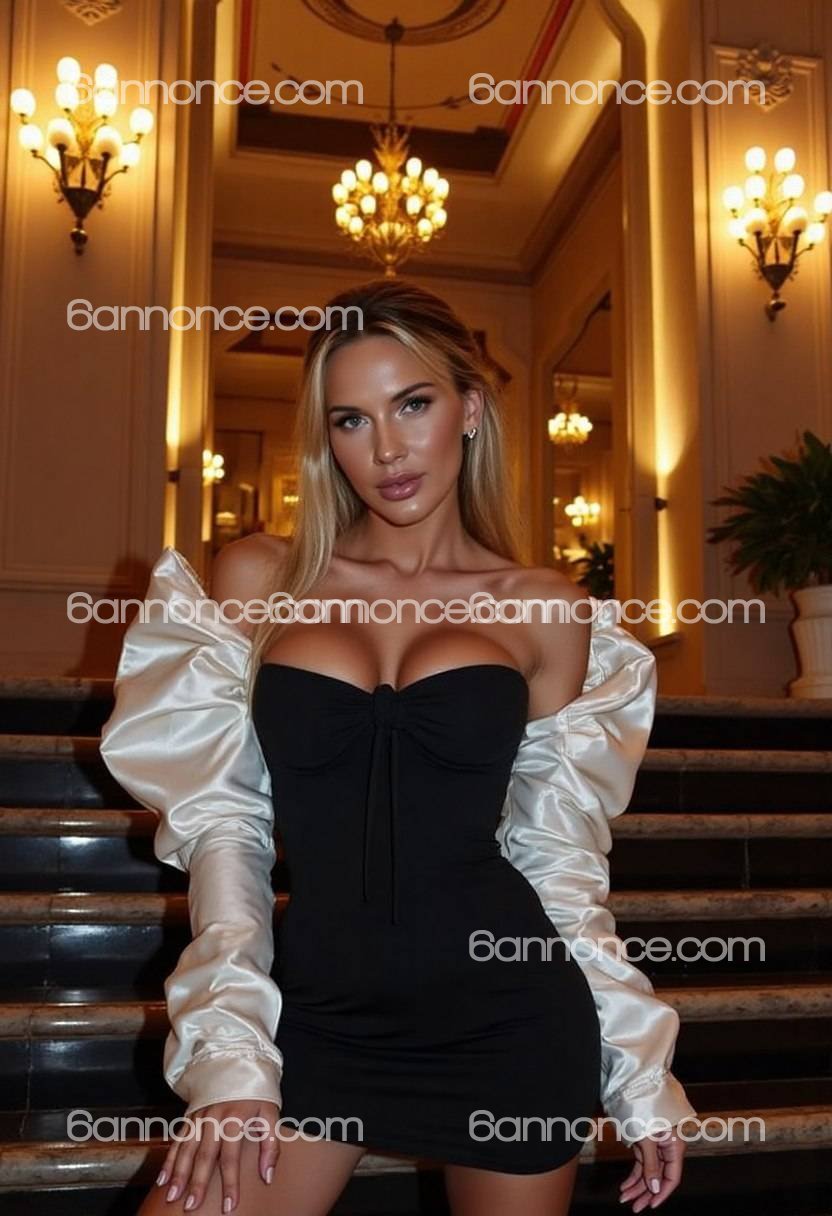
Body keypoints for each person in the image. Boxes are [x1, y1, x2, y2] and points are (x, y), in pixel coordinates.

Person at [99, 278, 698, 1216]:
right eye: (351, 420)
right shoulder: (260, 575)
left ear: (471, 408)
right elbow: (226, 828)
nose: (385, 449)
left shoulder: (547, 608)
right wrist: (231, 1053)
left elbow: (556, 858)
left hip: (509, 1020)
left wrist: (637, 1066)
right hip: (316, 1016)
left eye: (412, 404)